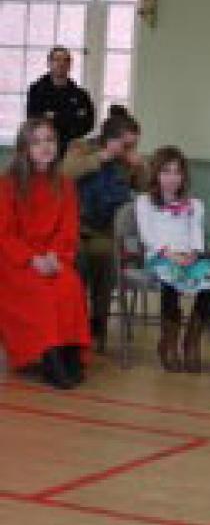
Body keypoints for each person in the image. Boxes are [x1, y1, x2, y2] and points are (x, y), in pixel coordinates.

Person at [0, 118, 91, 390]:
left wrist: (56, 257)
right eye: (37, 141)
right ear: (25, 148)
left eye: (50, 140)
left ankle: (68, 352)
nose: (45, 147)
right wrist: (31, 259)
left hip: (53, 257)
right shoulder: (7, 184)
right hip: (15, 259)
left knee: (69, 286)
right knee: (39, 292)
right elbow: (4, 233)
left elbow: (69, 229)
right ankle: (49, 357)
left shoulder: (65, 185)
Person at [136, 146, 210, 373]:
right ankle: (169, 342)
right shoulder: (145, 202)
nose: (171, 178)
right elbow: (147, 235)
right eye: (166, 172)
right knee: (171, 276)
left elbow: (196, 235)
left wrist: (194, 254)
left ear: (184, 176)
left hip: (188, 256)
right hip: (160, 256)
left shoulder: (194, 204)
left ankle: (192, 340)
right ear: (156, 174)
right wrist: (170, 254)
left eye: (177, 172)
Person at [62, 105, 146, 352]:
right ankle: (72, 323)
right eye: (127, 145)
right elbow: (65, 173)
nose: (130, 150)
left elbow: (145, 187)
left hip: (104, 230)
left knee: (105, 259)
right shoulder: (81, 148)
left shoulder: (126, 162)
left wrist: (140, 167)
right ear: (111, 140)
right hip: (74, 226)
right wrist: (101, 157)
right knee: (78, 262)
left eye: (134, 145)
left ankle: (98, 322)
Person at [27, 46, 95, 156]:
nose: (61, 64)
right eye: (57, 59)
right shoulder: (37, 91)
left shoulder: (80, 94)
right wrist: (71, 117)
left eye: (65, 60)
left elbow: (88, 123)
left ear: (70, 65)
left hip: (71, 150)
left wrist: (54, 116)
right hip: (43, 149)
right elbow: (34, 120)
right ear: (49, 63)